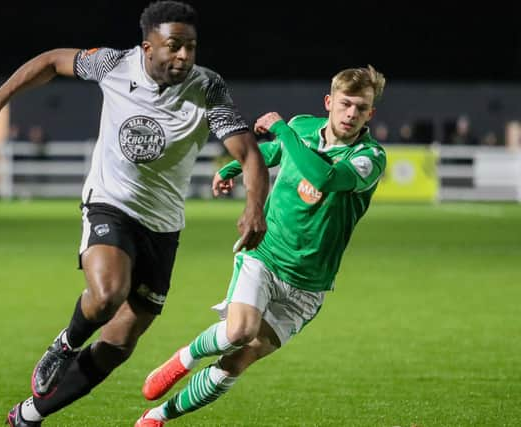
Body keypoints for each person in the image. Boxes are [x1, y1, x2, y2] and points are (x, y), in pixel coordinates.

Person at [0, 1, 269, 425]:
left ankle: (29, 415)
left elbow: (247, 152)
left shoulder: (207, 87)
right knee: (107, 294)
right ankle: (66, 343)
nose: (184, 56)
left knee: (120, 342)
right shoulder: (113, 64)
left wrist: (255, 208)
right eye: (174, 46)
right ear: (147, 47)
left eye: (191, 48)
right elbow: (53, 60)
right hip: (111, 203)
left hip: (162, 227)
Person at [135, 65, 387, 426]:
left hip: (309, 284)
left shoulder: (370, 157)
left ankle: (158, 416)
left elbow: (325, 177)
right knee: (239, 331)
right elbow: (273, 153)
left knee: (239, 359)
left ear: (370, 113)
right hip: (265, 255)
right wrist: (232, 168)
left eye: (361, 108)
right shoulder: (302, 127)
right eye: (346, 104)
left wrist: (281, 129)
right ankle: (185, 359)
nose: (352, 114)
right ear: (329, 102)